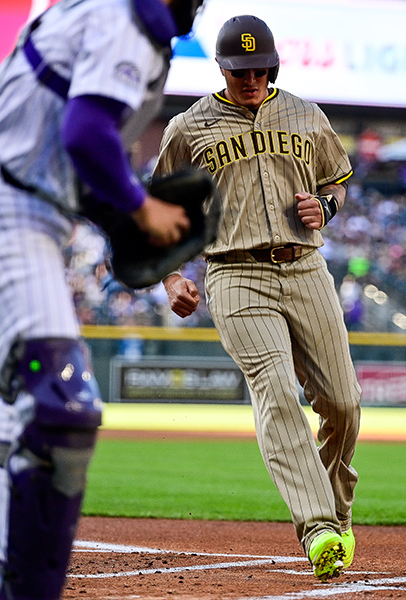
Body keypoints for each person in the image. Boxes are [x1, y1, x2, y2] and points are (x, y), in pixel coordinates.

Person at [0, 0, 205, 597]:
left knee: (24, 408)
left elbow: (75, 162)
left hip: (4, 201)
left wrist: (133, 229)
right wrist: (141, 208)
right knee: (61, 407)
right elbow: (86, 135)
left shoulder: (113, 16)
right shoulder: (125, 17)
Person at [153, 14, 361, 581]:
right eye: (240, 70)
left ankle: (337, 509)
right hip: (234, 272)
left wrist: (328, 206)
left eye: (260, 69)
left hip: (306, 267)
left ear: (273, 67)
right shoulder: (188, 128)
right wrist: (171, 277)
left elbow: (336, 180)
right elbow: (159, 211)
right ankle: (317, 527)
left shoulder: (306, 115)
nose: (251, 79)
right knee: (276, 390)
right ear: (222, 69)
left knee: (343, 403)